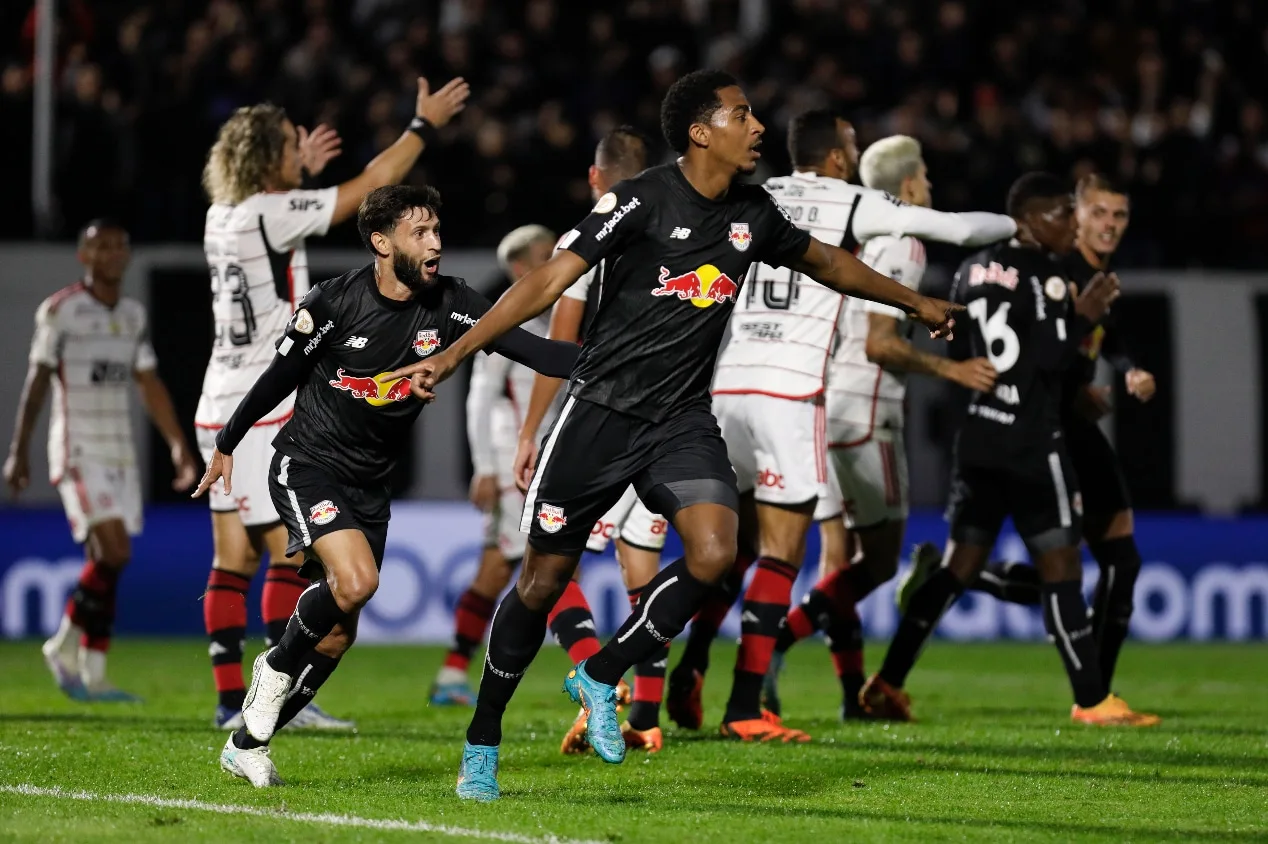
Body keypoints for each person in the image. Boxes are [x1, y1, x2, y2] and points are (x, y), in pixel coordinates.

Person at [387, 70, 960, 801]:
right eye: (742, 115)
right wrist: (454, 352)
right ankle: (482, 742)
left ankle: (600, 672)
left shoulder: (754, 212)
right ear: (700, 131)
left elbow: (830, 264)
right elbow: (545, 284)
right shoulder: (638, 200)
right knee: (540, 582)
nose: (757, 128)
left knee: (718, 552)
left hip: (681, 418)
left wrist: (916, 300)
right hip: (599, 413)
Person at [193, 185, 578, 788]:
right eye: (420, 233)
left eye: (436, 230)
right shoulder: (334, 303)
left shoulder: (451, 304)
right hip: (307, 464)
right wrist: (227, 441)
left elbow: (535, 350)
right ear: (382, 242)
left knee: (340, 630)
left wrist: (623, 357)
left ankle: (248, 740)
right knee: (357, 582)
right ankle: (270, 670)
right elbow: (279, 377)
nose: (436, 243)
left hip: (371, 487)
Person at [702, 118, 1014, 737]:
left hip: (742, 387)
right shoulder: (890, 230)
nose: (928, 181)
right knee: (864, 562)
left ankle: (828, 689)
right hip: (841, 407)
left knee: (785, 558)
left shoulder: (759, 198)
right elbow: (880, 340)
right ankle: (764, 664)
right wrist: (1018, 227)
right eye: (922, 173)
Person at [197, 76, 469, 730]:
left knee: (230, 560)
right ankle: (280, 698)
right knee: (292, 556)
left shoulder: (222, 216)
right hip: (268, 397)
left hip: (217, 391)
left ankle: (230, 699)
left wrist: (299, 178)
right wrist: (422, 127)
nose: (303, 149)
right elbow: (367, 187)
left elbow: (281, 216)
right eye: (292, 146)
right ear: (268, 160)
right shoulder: (272, 210)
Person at [858, 173, 1158, 727]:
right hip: (1030, 441)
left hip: (979, 435)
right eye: (1065, 215)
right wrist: (1082, 317)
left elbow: (978, 336)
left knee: (957, 570)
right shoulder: (1045, 274)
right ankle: (1094, 700)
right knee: (1062, 565)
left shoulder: (973, 267)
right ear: (1034, 220)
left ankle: (885, 684)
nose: (1074, 225)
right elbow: (1047, 356)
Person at [513, 126, 670, 754]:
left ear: (595, 177)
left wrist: (530, 433)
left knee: (553, 566)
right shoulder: (686, 227)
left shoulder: (594, 235)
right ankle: (647, 718)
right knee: (644, 573)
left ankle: (589, 675)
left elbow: (565, 348)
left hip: (604, 423)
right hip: (675, 423)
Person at [5, 219, 198, 701]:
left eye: (120, 246)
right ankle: (62, 646)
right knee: (115, 552)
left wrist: (177, 443)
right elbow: (37, 381)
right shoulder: (61, 310)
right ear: (84, 256)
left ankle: (92, 670)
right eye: (101, 247)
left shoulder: (132, 315)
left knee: (106, 562)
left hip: (120, 449)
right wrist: (18, 451)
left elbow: (149, 384)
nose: (112, 254)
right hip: (78, 446)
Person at [431, 223, 560, 705]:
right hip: (513, 462)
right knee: (549, 562)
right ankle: (594, 670)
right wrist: (486, 465)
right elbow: (480, 395)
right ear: (522, 267)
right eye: (548, 254)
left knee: (496, 568)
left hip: (541, 458)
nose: (561, 259)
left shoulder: (556, 316)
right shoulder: (510, 315)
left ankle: (452, 672)